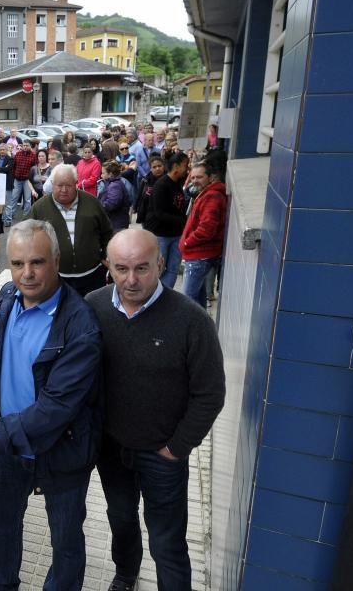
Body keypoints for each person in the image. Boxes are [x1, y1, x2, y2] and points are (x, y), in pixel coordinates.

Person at [0, 219, 104, 591]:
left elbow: (55, 409)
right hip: (10, 449)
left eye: (37, 262)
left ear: (56, 261)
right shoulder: (9, 297)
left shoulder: (81, 327)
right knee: (5, 525)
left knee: (66, 541)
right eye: (16, 264)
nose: (25, 274)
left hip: (60, 452)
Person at [86, 230, 225, 591]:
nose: (131, 280)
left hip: (162, 455)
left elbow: (210, 394)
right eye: (121, 269)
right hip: (112, 450)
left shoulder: (192, 321)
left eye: (142, 268)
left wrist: (177, 448)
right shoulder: (93, 307)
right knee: (121, 520)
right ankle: (126, 575)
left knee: (167, 542)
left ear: (161, 264)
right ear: (108, 267)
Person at [27, 164, 113, 296]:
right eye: (59, 185)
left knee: (92, 313)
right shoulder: (39, 208)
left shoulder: (92, 203)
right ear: (52, 184)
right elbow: (28, 240)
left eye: (68, 185)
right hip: (55, 278)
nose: (64, 190)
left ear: (76, 184)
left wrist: (105, 256)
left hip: (92, 277)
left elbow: (107, 233)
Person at [179, 162, 228, 308]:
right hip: (200, 255)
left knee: (186, 302)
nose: (194, 181)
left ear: (211, 177)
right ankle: (203, 329)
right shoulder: (207, 194)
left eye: (199, 177)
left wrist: (187, 242)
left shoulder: (211, 197)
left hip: (199, 256)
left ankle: (190, 330)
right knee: (198, 300)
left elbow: (207, 228)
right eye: (192, 177)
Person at [143, 152, 190, 289]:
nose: (187, 169)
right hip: (161, 234)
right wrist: (183, 221)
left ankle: (165, 296)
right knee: (158, 269)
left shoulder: (178, 183)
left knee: (173, 269)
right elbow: (159, 213)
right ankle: (153, 295)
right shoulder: (161, 185)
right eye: (184, 166)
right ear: (176, 166)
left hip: (177, 235)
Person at [98, 160, 134, 232]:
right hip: (116, 222)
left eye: (103, 173)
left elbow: (111, 204)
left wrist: (98, 207)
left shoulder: (115, 186)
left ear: (110, 174)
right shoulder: (111, 184)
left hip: (117, 224)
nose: (101, 175)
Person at [7, 139, 37, 221]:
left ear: (30, 146)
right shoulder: (18, 154)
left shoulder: (33, 155)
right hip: (17, 179)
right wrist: (14, 175)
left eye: (27, 145)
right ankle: (11, 214)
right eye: (24, 145)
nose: (25, 147)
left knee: (27, 199)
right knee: (14, 197)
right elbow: (14, 166)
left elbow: (35, 169)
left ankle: (26, 216)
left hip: (27, 180)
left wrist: (32, 180)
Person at [0, 143, 15, 227]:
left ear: (6, 150)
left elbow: (7, 169)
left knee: (8, 203)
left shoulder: (10, 159)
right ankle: (2, 218)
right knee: (0, 203)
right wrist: (1, 169)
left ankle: (8, 220)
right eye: (0, 150)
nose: (2, 151)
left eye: (3, 149)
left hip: (7, 184)